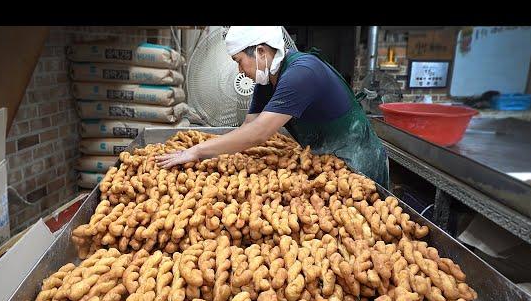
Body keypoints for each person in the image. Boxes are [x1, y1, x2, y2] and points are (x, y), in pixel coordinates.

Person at [155, 26, 389, 187]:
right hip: (324, 160)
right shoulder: (267, 79)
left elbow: (257, 134)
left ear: (261, 52)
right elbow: (248, 127)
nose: (238, 71)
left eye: (239, 61)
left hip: (357, 161)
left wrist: (196, 152)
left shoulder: (301, 74)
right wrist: (213, 159)